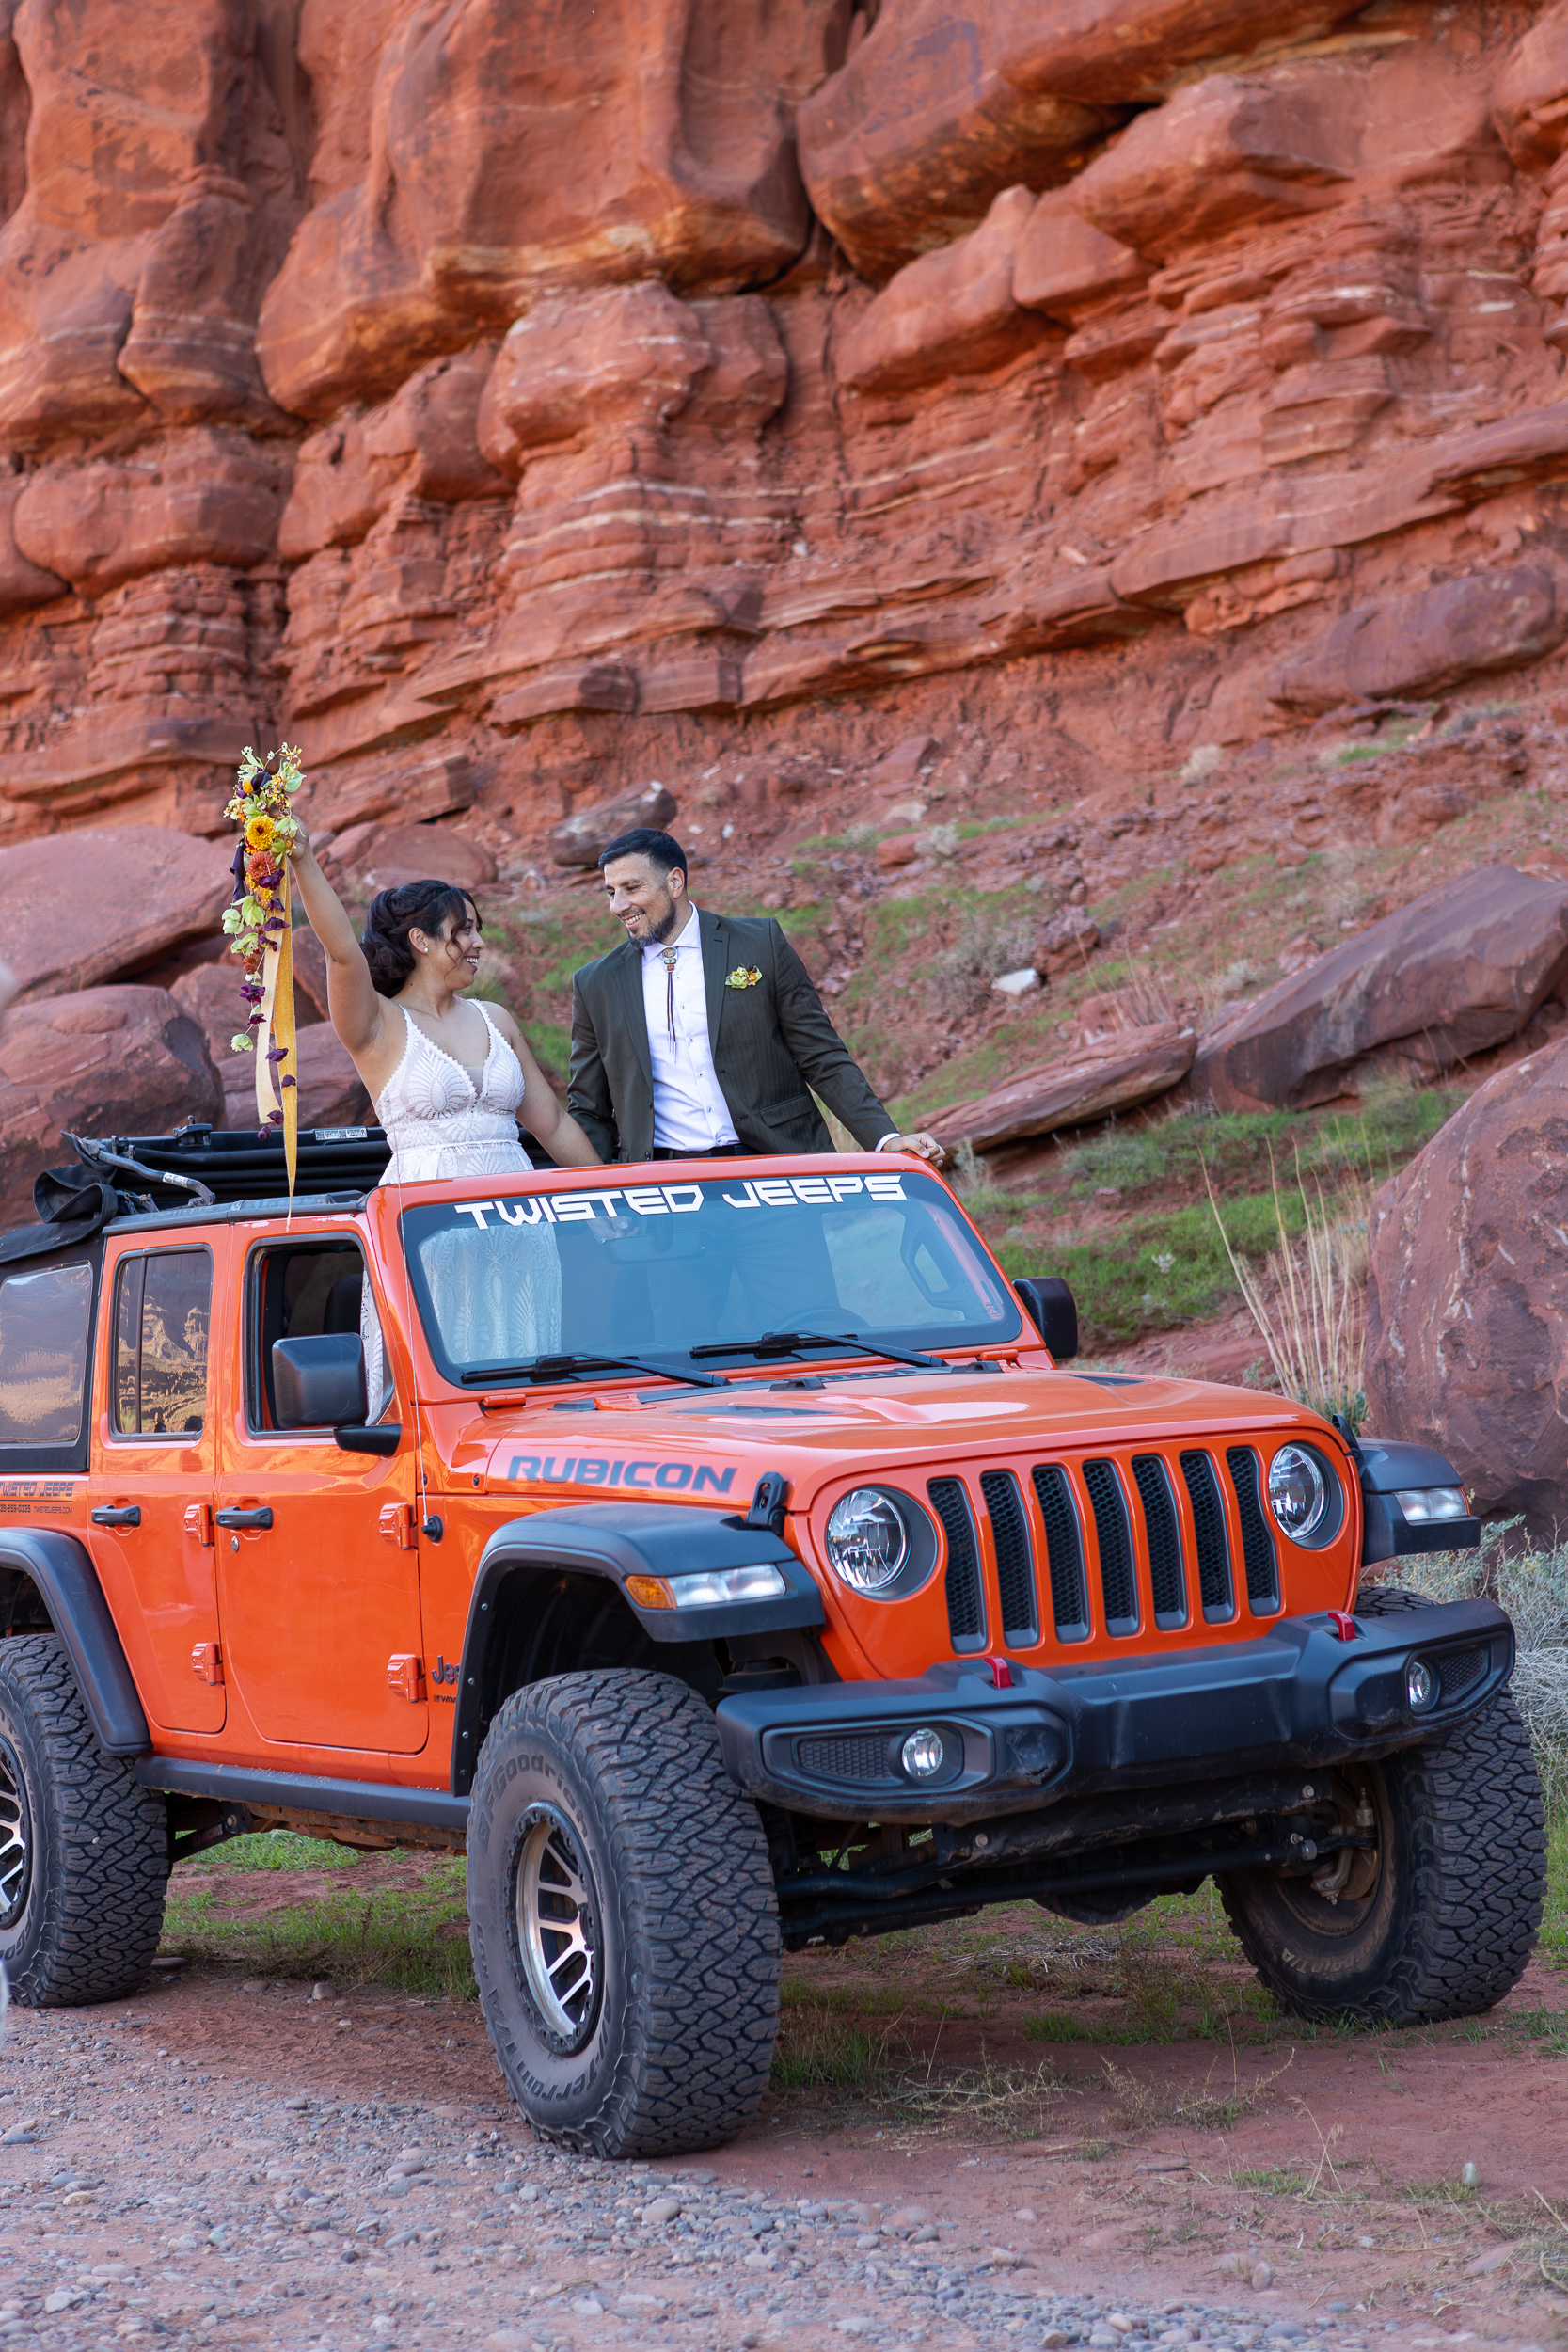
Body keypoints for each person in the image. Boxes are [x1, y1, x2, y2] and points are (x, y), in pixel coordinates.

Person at [287, 831, 598, 1390]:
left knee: (524, 1364)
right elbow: (340, 952)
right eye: (465, 930)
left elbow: (549, 1121)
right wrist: (303, 858)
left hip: (519, 1225)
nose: (479, 943)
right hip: (430, 1227)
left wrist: (608, 1196)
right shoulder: (376, 1026)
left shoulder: (495, 1018)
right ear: (422, 941)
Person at [569, 827, 945, 1167]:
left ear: (675, 882)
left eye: (632, 889)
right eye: (611, 892)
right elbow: (589, 1109)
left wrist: (886, 1139)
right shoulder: (595, 984)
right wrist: (596, 1194)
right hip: (663, 1184)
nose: (618, 906)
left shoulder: (760, 944)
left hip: (777, 1166)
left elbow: (821, 1055)